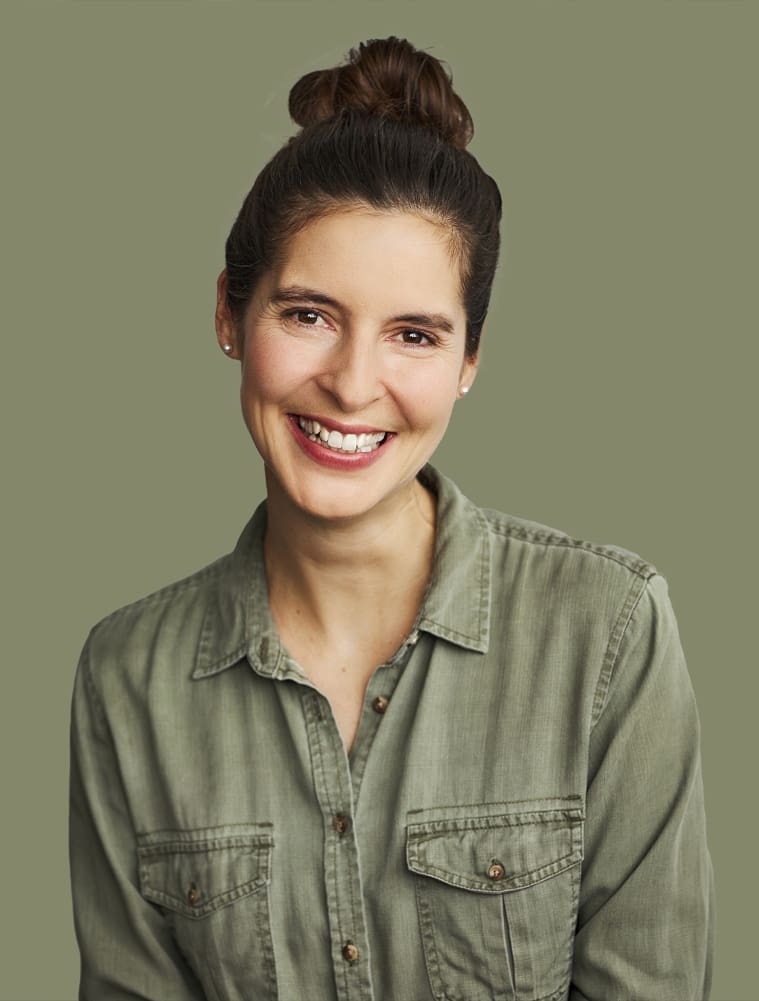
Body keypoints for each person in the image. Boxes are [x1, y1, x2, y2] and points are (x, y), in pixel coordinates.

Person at [69, 36, 714, 1001]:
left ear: (467, 363)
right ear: (230, 314)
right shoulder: (128, 678)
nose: (352, 383)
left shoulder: (609, 632)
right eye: (308, 315)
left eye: (413, 334)